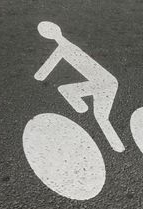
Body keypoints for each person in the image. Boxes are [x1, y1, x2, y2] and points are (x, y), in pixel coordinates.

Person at [34, 21, 125, 153]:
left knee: (65, 90)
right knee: (101, 118)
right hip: (110, 81)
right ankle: (118, 146)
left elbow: (41, 75)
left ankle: (81, 108)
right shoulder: (70, 46)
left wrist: (39, 74)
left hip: (102, 83)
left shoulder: (62, 48)